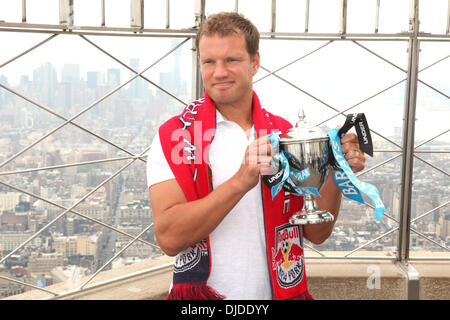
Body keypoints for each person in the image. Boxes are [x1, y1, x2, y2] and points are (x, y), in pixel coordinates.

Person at [146, 12, 366, 300]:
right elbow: (169, 238)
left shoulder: (285, 134)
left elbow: (317, 233)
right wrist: (240, 181)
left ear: (255, 62)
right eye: (209, 62)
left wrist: (337, 173)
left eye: (232, 60)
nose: (219, 72)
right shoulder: (175, 136)